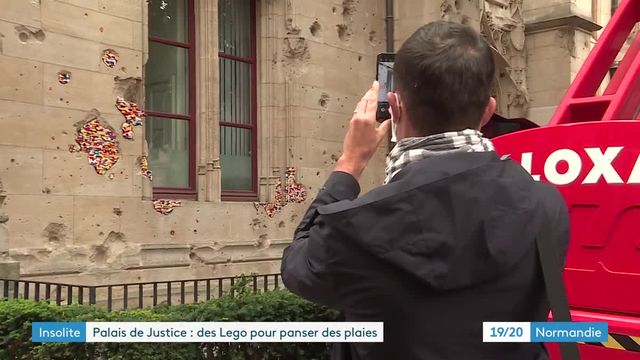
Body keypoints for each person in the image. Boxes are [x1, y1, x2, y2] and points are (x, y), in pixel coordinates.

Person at [281, 20, 569, 360]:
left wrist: (349, 163)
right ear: (489, 111)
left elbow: (298, 268)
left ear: (395, 107)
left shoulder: (357, 226)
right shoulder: (547, 206)